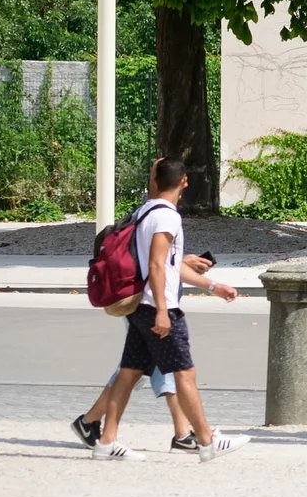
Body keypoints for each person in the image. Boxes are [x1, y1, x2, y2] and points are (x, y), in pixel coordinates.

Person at [94, 158, 244, 462]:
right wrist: (163, 309)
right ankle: (205, 440)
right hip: (158, 308)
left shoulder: (144, 211)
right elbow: (157, 265)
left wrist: (213, 287)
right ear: (184, 182)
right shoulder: (167, 217)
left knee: (129, 373)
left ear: (154, 181)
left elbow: (170, 267)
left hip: (142, 306)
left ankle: (106, 441)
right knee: (184, 372)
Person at [74, 251, 218, 452]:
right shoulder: (162, 218)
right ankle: (97, 426)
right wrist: (205, 283)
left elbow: (157, 257)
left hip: (152, 301)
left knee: (143, 368)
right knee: (145, 369)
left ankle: (181, 433)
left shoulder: (160, 219)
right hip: (152, 303)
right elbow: (154, 261)